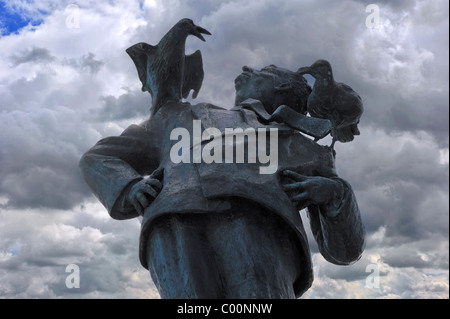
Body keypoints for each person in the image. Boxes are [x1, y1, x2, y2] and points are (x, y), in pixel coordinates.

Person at [79, 64, 365, 299]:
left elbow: (344, 251)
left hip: (261, 225)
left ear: (281, 88)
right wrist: (129, 189)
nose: (245, 68)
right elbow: (99, 157)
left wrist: (334, 194)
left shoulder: (306, 148)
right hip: (177, 221)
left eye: (261, 71)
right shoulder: (177, 117)